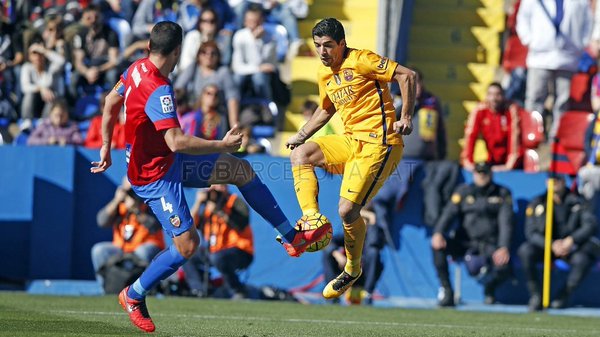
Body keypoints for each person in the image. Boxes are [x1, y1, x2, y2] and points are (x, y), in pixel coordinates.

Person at [90, 21, 330, 333]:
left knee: (240, 170)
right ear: (177, 52)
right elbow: (176, 140)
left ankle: (291, 237)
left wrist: (107, 147)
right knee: (188, 245)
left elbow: (110, 102)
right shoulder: (159, 89)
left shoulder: (136, 68)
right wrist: (222, 144)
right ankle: (133, 295)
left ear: (150, 46)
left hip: (166, 160)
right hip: (154, 176)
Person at [285, 18, 416, 300]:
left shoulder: (362, 60)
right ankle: (311, 218)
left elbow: (407, 76)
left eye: (328, 46)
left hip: (380, 143)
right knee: (301, 154)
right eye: (318, 45)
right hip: (351, 141)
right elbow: (325, 110)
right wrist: (301, 134)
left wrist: (405, 116)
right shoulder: (326, 75)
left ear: (341, 44)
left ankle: (353, 269)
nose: (322, 51)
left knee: (347, 210)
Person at [431, 162, 513, 307]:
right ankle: (447, 291)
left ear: (491, 174)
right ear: (473, 174)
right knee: (437, 247)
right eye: (478, 173)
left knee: (504, 266)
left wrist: (503, 247)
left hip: (490, 243)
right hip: (465, 242)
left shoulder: (502, 193)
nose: (481, 176)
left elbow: (506, 222)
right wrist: (438, 232)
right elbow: (448, 215)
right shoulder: (463, 192)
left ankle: (490, 288)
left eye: (485, 173)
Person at [518, 175, 598, 311]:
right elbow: (531, 233)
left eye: (558, 179)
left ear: (563, 181)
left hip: (571, 247)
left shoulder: (577, 201)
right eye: (551, 180)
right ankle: (536, 295)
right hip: (546, 246)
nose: (554, 183)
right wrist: (551, 244)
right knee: (525, 251)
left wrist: (571, 240)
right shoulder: (538, 202)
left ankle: (564, 295)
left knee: (583, 258)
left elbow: (589, 225)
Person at [516, 0, 592, 137]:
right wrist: (529, 40)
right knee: (535, 98)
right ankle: (532, 133)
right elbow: (522, 18)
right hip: (539, 57)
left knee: (562, 101)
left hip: (567, 57)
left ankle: (556, 137)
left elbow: (588, 21)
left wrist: (581, 44)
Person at [91, 177, 165, 291]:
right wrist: (116, 200)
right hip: (121, 248)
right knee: (99, 250)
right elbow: (101, 221)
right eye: (127, 190)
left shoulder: (150, 202)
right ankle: (106, 289)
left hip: (147, 247)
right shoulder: (119, 206)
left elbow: (154, 226)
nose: (130, 194)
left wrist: (137, 210)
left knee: (142, 252)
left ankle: (141, 291)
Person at [184, 185, 254, 298]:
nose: (215, 193)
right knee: (188, 254)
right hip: (214, 250)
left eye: (218, 189)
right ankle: (198, 290)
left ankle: (238, 291)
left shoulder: (235, 202)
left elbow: (241, 224)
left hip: (240, 250)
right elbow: (190, 225)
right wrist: (198, 202)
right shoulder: (206, 206)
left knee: (218, 258)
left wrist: (218, 211)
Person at [460, 83, 523, 172]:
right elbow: (471, 135)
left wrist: (508, 166)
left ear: (503, 96)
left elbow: (514, 138)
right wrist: (468, 162)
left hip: (514, 164)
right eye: (490, 95)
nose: (494, 99)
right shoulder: (480, 110)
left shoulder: (511, 111)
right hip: (492, 161)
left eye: (497, 95)